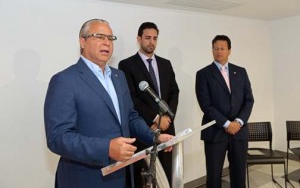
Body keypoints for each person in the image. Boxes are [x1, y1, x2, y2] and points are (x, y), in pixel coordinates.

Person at [44, 19, 173, 188]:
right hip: (86, 179)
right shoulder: (65, 80)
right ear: (82, 41)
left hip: (122, 174)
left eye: (110, 38)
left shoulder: (119, 77)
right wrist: (106, 148)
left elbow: (131, 117)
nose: (107, 43)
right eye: (99, 37)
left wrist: (154, 137)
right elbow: (58, 138)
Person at [118, 22, 179, 187]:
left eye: (155, 38)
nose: (151, 42)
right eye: (147, 38)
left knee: (165, 176)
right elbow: (131, 98)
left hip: (166, 129)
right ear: (139, 39)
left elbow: (174, 92)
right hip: (143, 130)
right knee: (143, 178)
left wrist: (166, 117)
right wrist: (155, 118)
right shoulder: (127, 65)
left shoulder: (165, 64)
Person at [195, 35, 254, 188]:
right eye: (216, 48)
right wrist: (227, 123)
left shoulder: (240, 72)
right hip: (215, 132)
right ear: (212, 50)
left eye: (222, 48)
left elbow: (249, 100)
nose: (219, 51)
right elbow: (206, 105)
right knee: (214, 176)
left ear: (229, 51)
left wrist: (238, 122)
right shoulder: (203, 74)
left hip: (239, 132)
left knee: (239, 173)